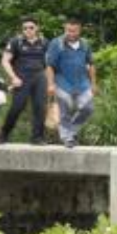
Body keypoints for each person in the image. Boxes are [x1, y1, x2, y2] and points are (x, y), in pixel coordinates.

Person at [0, 16, 50, 145]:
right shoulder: (16, 42)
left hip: (39, 77)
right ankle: (3, 134)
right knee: (17, 107)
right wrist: (13, 77)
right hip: (21, 77)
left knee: (40, 108)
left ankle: (37, 138)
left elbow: (50, 64)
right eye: (25, 28)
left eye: (31, 27)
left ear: (37, 28)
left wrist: (51, 82)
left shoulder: (44, 42)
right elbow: (5, 61)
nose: (28, 30)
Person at [45, 19, 95, 149]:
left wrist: (94, 84)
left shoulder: (85, 44)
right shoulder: (56, 44)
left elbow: (91, 65)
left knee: (88, 108)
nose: (70, 33)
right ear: (65, 29)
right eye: (68, 30)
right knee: (65, 108)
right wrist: (50, 84)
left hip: (82, 83)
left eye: (74, 31)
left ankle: (71, 131)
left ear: (79, 30)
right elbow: (49, 66)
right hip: (62, 83)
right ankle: (67, 138)